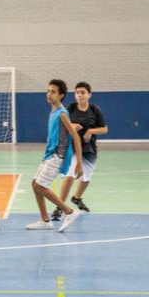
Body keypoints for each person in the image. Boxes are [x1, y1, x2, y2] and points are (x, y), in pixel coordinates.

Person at [25, 79, 85, 232]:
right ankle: (45, 220)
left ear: (61, 95)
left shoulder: (62, 114)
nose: (49, 94)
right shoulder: (53, 110)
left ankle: (69, 211)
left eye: (53, 92)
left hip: (58, 155)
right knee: (34, 184)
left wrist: (79, 163)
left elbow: (76, 137)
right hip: (49, 154)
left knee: (40, 185)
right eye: (48, 91)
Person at [51, 81, 107, 221]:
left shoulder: (95, 110)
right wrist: (72, 125)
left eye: (82, 92)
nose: (80, 95)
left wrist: (90, 131)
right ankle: (60, 207)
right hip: (72, 148)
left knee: (86, 178)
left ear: (89, 94)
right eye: (77, 93)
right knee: (69, 175)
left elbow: (105, 129)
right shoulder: (70, 108)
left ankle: (76, 198)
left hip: (89, 149)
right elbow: (61, 123)